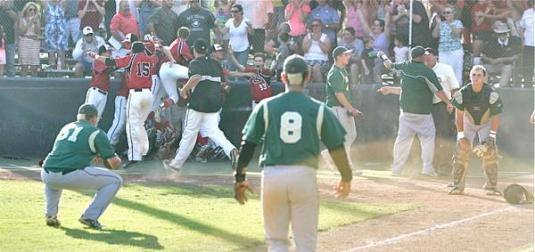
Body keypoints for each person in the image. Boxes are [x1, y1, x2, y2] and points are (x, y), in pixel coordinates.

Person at [233, 54, 352, 251]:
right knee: (305, 242)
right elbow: (336, 147)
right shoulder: (319, 109)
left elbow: (248, 144)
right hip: (303, 177)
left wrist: (239, 177)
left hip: (272, 176)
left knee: (276, 241)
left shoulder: (266, 106)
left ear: (283, 77)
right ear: (307, 78)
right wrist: (346, 177)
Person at [41, 104, 123, 229]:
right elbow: (114, 164)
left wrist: (93, 153)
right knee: (115, 180)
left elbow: (70, 150)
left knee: (54, 180)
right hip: (70, 174)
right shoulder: (96, 132)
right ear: (94, 118)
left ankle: (50, 215)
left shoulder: (67, 127)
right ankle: (90, 217)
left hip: (46, 173)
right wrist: (114, 157)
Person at [376, 46, 454, 176]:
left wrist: (382, 55)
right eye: (424, 55)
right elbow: (439, 91)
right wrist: (448, 102)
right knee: (428, 140)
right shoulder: (427, 71)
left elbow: (389, 65)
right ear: (422, 57)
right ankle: (427, 168)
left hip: (406, 113)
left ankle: (396, 169)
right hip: (423, 114)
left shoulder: (405, 66)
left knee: (402, 141)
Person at [163, 39, 238, 172]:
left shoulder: (195, 62)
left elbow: (196, 76)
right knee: (213, 131)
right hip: (213, 104)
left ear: (195, 50)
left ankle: (176, 164)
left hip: (198, 103)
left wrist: (184, 90)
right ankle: (231, 150)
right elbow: (221, 83)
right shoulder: (215, 64)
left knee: (189, 134)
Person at [92, 41, 159, 166]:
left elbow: (110, 62)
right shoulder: (151, 59)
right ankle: (143, 150)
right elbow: (157, 55)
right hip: (149, 95)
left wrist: (96, 56)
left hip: (136, 94)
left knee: (131, 125)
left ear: (133, 50)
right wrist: (155, 46)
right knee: (140, 124)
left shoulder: (132, 58)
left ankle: (134, 157)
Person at [449, 65, 503, 195]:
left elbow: (496, 117)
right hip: (468, 122)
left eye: (479, 75)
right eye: (473, 75)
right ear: (470, 76)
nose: (476, 78)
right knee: (461, 150)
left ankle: (491, 186)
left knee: (490, 151)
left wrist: (492, 137)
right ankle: (458, 185)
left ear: (484, 77)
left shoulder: (492, 93)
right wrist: (461, 136)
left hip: (486, 123)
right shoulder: (463, 93)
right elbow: (459, 115)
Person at [321, 46, 362, 175]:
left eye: (348, 54)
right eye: (346, 54)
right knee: (345, 137)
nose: (348, 57)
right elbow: (339, 95)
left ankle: (328, 155)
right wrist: (351, 108)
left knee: (351, 136)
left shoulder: (342, 71)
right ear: (338, 57)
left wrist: (350, 108)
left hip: (344, 108)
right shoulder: (335, 73)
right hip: (336, 108)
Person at [424, 47, 459, 176]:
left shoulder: (446, 69)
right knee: (428, 138)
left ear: (436, 57)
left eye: (429, 55)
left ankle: (445, 166)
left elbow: (454, 88)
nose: (427, 58)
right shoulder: (421, 69)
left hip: (443, 107)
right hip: (426, 107)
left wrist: (453, 104)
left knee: (444, 137)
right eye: (425, 56)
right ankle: (430, 166)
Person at [481, 20, 522, 87]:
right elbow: (483, 55)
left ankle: (501, 89)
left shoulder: (514, 41)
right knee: (481, 68)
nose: (502, 35)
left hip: (507, 66)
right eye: (500, 34)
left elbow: (516, 57)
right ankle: (484, 89)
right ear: (497, 34)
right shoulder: (492, 42)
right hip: (494, 65)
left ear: (507, 33)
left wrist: (501, 60)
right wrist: (490, 60)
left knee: (508, 67)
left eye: (504, 33)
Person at [432, 6, 464, 85]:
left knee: (456, 72)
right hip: (443, 52)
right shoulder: (441, 24)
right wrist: (438, 24)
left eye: (448, 12)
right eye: (444, 13)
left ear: (453, 14)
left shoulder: (458, 22)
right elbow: (434, 35)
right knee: (444, 71)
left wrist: (450, 23)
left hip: (455, 51)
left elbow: (456, 34)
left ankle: (457, 91)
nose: (446, 14)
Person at [85, 45, 114, 120]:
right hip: (95, 92)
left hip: (104, 94)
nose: (110, 54)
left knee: (96, 119)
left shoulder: (106, 62)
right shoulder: (98, 60)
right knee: (88, 115)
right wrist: (119, 64)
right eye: (108, 52)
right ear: (102, 53)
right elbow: (107, 70)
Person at [225, 3, 253, 70]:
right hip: (232, 49)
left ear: (241, 12)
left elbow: (252, 33)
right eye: (232, 11)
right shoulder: (230, 21)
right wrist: (216, 25)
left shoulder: (246, 21)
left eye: (236, 11)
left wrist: (250, 26)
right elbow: (223, 32)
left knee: (242, 69)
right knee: (230, 69)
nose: (233, 13)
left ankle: (241, 80)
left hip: (243, 49)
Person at [18, 1, 41, 77]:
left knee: (34, 66)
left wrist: (36, 22)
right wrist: (29, 22)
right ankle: (23, 85)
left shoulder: (37, 19)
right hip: (24, 42)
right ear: (26, 10)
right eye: (30, 9)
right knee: (24, 66)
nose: (32, 11)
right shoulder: (22, 19)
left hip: (34, 43)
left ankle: (35, 86)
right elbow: (22, 32)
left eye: (34, 10)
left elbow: (38, 32)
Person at [43, 0, 68, 70]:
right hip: (50, 31)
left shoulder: (63, 3)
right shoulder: (46, 3)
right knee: (51, 54)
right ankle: (52, 74)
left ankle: (61, 73)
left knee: (61, 55)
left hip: (61, 31)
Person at [519, 0, 534, 86]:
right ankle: (528, 82)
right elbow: (521, 27)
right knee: (528, 63)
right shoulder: (527, 13)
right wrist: (522, 39)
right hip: (529, 42)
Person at [0, 1, 17, 76]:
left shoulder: (12, 9)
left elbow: (16, 19)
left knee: (10, 62)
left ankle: (12, 81)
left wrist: (8, 10)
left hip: (10, 39)